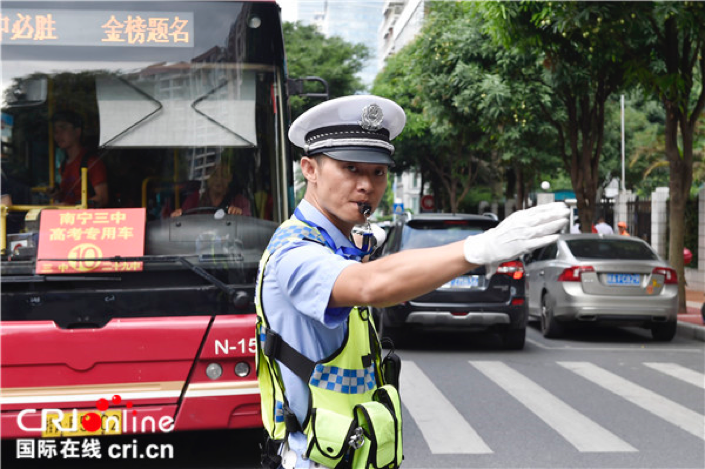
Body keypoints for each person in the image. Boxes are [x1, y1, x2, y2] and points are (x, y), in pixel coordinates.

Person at [255, 95, 569, 469]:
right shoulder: (295, 251)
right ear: (310, 169)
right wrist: (479, 248)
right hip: (315, 460)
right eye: (350, 168)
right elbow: (367, 286)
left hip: (351, 454)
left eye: (378, 172)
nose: (366, 185)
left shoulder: (340, 243)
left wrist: (362, 244)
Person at [52, 111, 109, 208]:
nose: (58, 135)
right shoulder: (63, 165)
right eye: (55, 131)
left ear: (77, 132)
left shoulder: (92, 163)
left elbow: (103, 198)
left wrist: (72, 207)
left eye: (63, 128)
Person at [170, 163, 251, 217]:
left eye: (223, 175)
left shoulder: (239, 201)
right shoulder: (195, 199)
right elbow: (182, 221)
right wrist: (177, 216)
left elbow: (250, 221)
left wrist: (240, 214)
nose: (219, 180)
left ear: (230, 178)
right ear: (208, 178)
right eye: (214, 175)